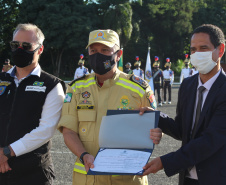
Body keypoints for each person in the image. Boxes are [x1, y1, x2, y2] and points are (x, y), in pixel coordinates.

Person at [57, 29, 162, 185]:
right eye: (93, 50)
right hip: (87, 178)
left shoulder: (139, 89)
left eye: (105, 50)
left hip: (128, 179)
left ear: (118, 54)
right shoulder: (76, 88)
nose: (98, 55)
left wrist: (157, 133)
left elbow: (155, 128)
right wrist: (84, 155)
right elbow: (68, 131)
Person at [142, 24, 226, 185]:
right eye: (193, 50)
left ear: (220, 50)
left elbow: (210, 140)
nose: (196, 54)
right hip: (187, 177)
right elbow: (182, 130)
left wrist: (165, 162)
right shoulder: (187, 86)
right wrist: (155, 116)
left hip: (216, 177)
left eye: (204, 48)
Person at [0, 23, 65, 185]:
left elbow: (46, 130)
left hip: (33, 173)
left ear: (40, 49)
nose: (19, 50)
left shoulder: (52, 85)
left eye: (26, 46)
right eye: (15, 45)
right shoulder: (2, 79)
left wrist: (7, 152)